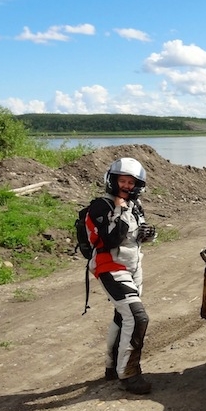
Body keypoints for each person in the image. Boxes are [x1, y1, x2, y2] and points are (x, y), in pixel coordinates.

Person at [85, 157, 157, 394]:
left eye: (130, 182)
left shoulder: (135, 206)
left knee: (122, 316)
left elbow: (135, 237)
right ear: (112, 180)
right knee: (137, 317)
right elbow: (113, 238)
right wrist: (119, 209)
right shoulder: (100, 206)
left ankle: (112, 367)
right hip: (110, 267)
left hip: (133, 268)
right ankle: (129, 374)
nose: (126, 186)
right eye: (122, 181)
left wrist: (148, 233)